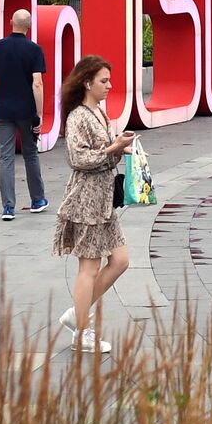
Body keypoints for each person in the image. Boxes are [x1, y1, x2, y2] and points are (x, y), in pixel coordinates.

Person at [53, 55, 136, 354]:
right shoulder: (78, 116)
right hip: (86, 200)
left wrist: (121, 148)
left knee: (121, 260)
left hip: (103, 201)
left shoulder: (99, 112)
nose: (109, 86)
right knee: (89, 267)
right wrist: (114, 147)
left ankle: (76, 314)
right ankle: (82, 331)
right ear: (87, 82)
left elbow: (103, 152)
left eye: (109, 80)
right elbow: (79, 159)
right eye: (104, 81)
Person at [0, 8, 48, 221]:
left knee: (6, 158)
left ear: (11, 22)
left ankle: (8, 208)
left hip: (3, 109)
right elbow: (37, 83)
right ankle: (37, 200)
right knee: (30, 154)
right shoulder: (34, 50)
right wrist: (39, 113)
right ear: (28, 26)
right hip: (27, 111)